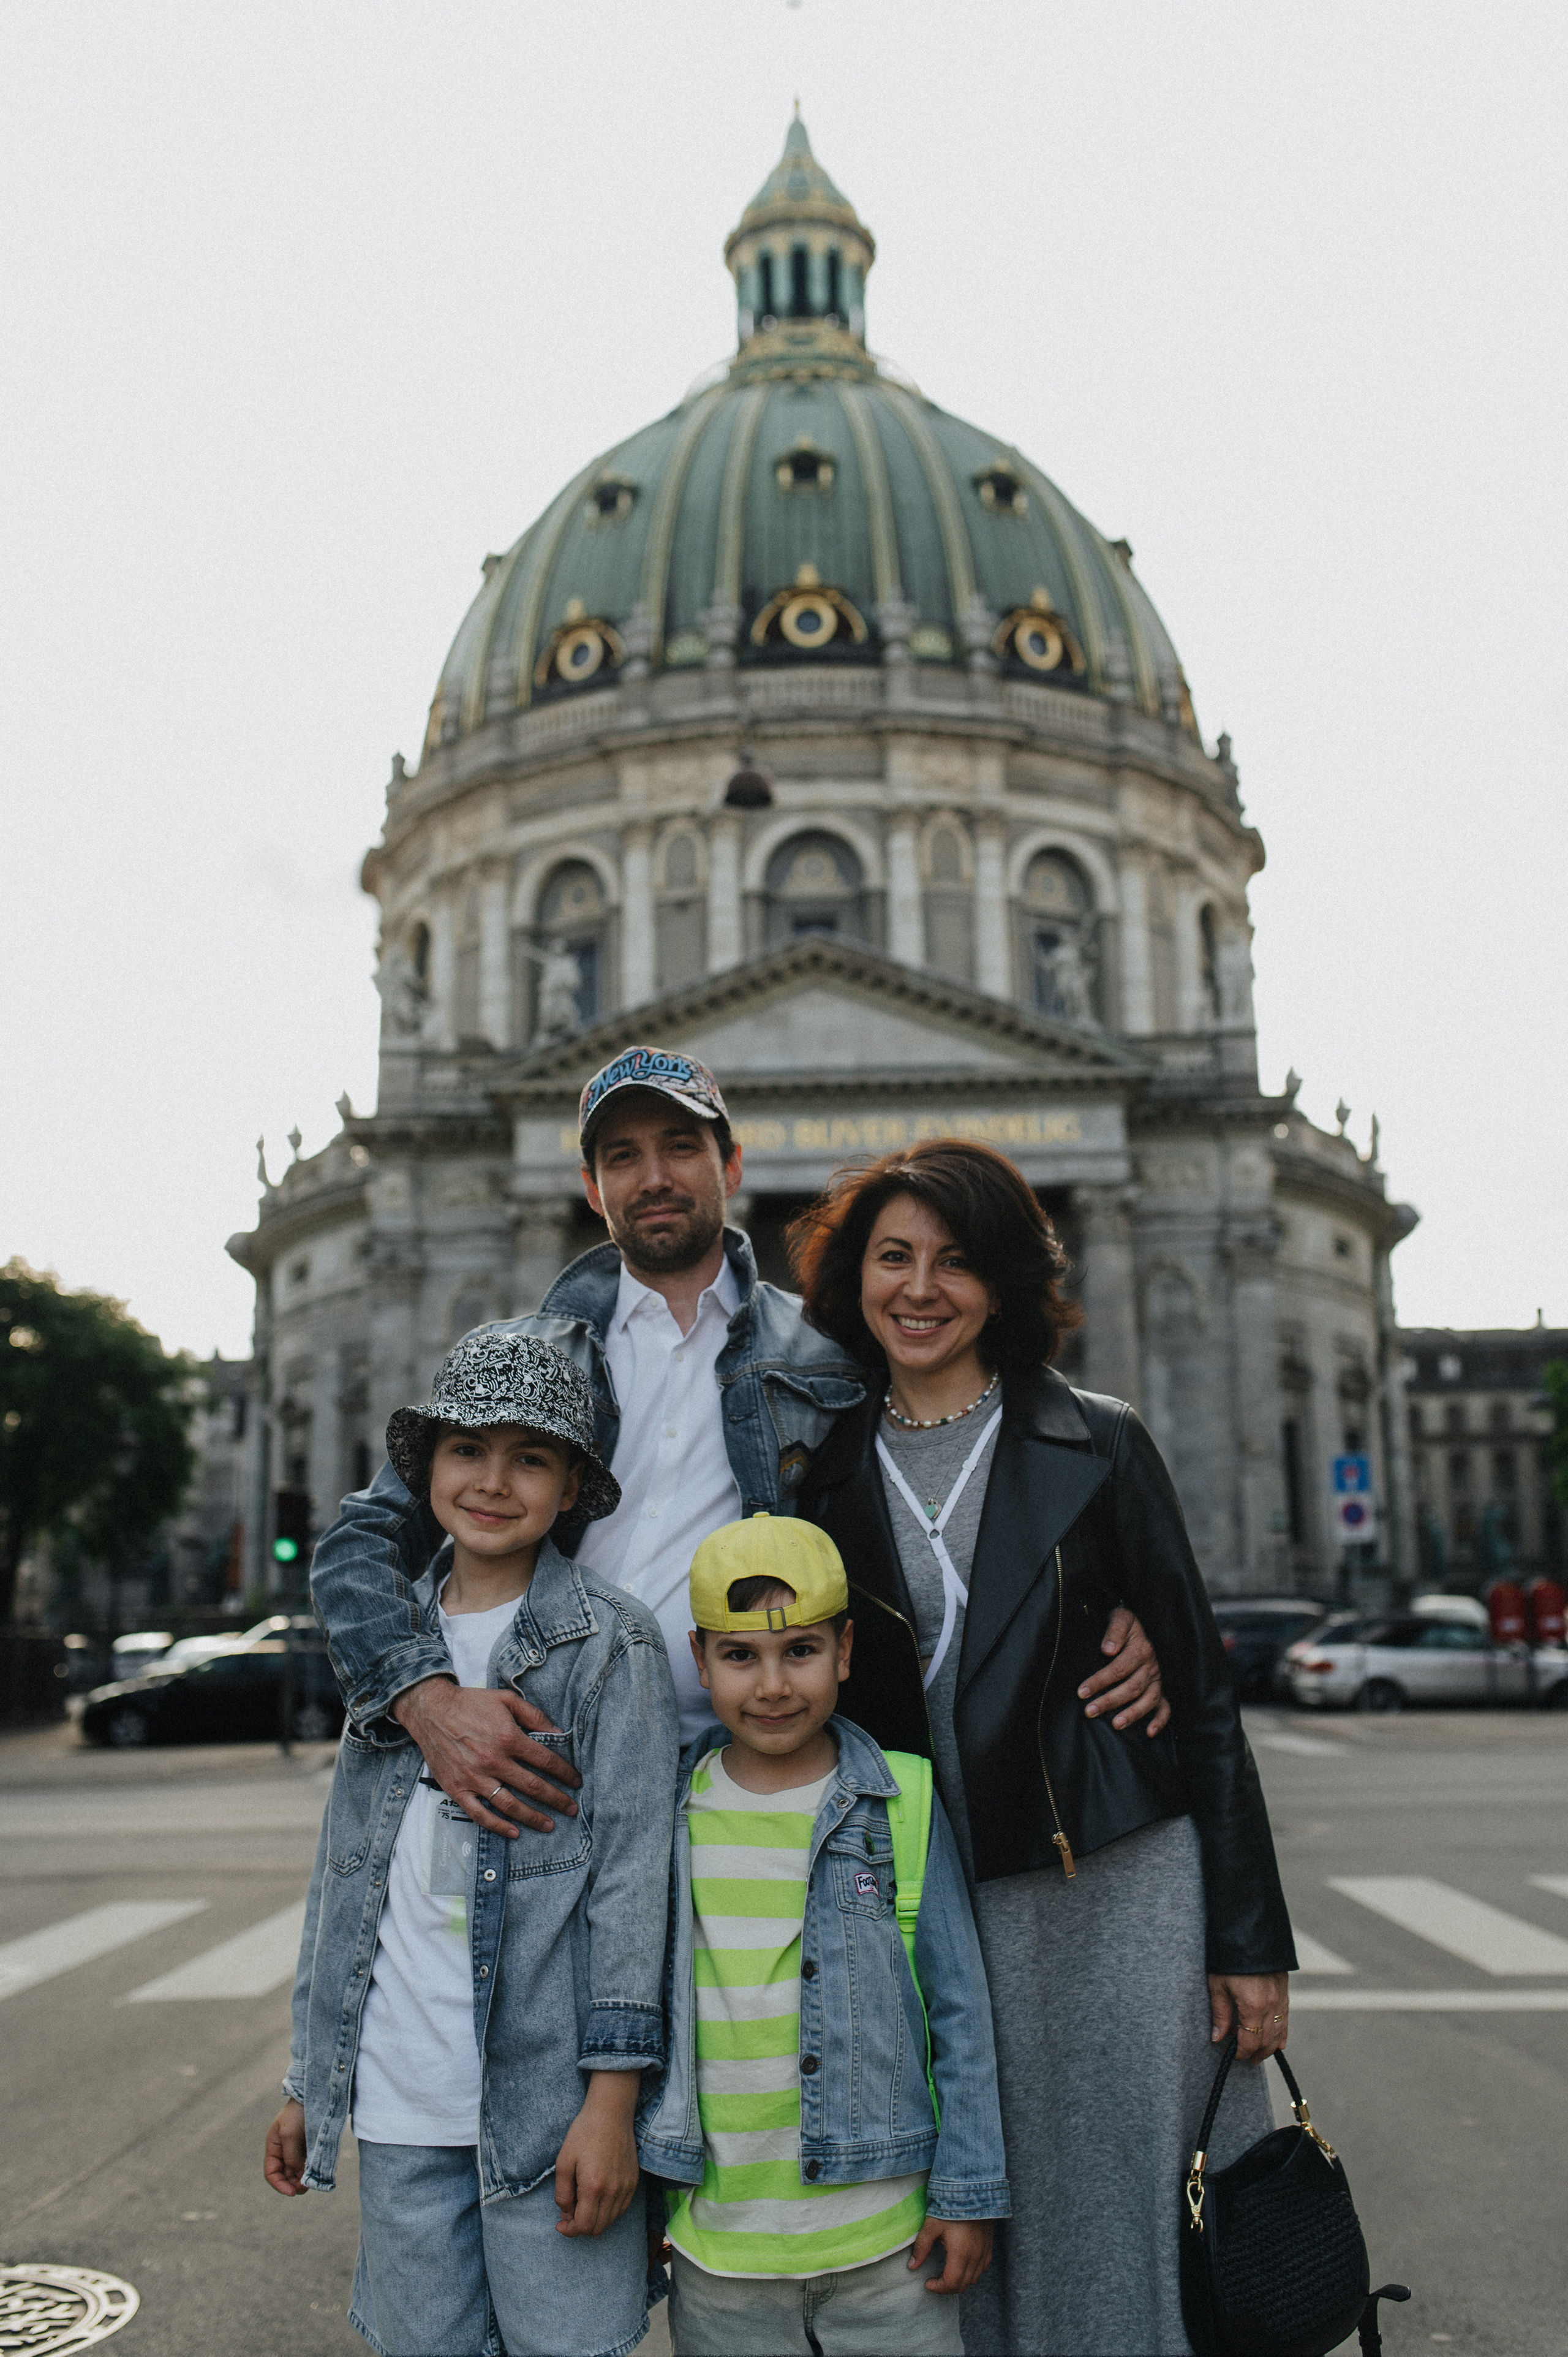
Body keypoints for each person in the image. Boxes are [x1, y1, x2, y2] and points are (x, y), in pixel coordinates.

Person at [308, 1046, 1168, 1850]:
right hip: (547, 1778)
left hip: (757, 1782)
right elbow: (362, 1543)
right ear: (590, 1185)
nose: (654, 1178)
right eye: (622, 1157)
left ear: (732, 1167)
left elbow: (960, 1455)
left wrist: (1097, 1594)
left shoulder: (827, 1354)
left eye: (681, 1147)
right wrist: (425, 1700)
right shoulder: (523, 1362)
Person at [789, 1140, 1299, 2357]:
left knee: (1114, 2221)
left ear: (1006, 1282)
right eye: (892, 1257)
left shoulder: (1100, 1441)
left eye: (956, 1262)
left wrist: (1248, 1944)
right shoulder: (826, 1480)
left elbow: (1203, 1699)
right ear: (852, 1277)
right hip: (937, 1902)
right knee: (967, 2223)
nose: (918, 1289)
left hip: (1108, 1889)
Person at [264, 1331, 677, 2357]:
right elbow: (346, 1873)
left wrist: (612, 2103)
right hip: (405, 2103)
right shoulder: (389, 1648)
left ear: (573, 1485)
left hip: (550, 2110)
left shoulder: (609, 1645)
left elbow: (634, 1880)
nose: (493, 1482)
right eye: (467, 1451)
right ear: (426, 1470)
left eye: (531, 1458)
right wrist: (309, 2081)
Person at [638, 1512, 1008, 2357]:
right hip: (720, 2251)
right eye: (741, 1656)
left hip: (885, 2245)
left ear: (845, 1651)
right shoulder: (673, 1813)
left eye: (799, 1651)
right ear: (700, 1660)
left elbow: (960, 2013)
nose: (772, 1685)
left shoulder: (902, 1800)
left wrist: (967, 2193)